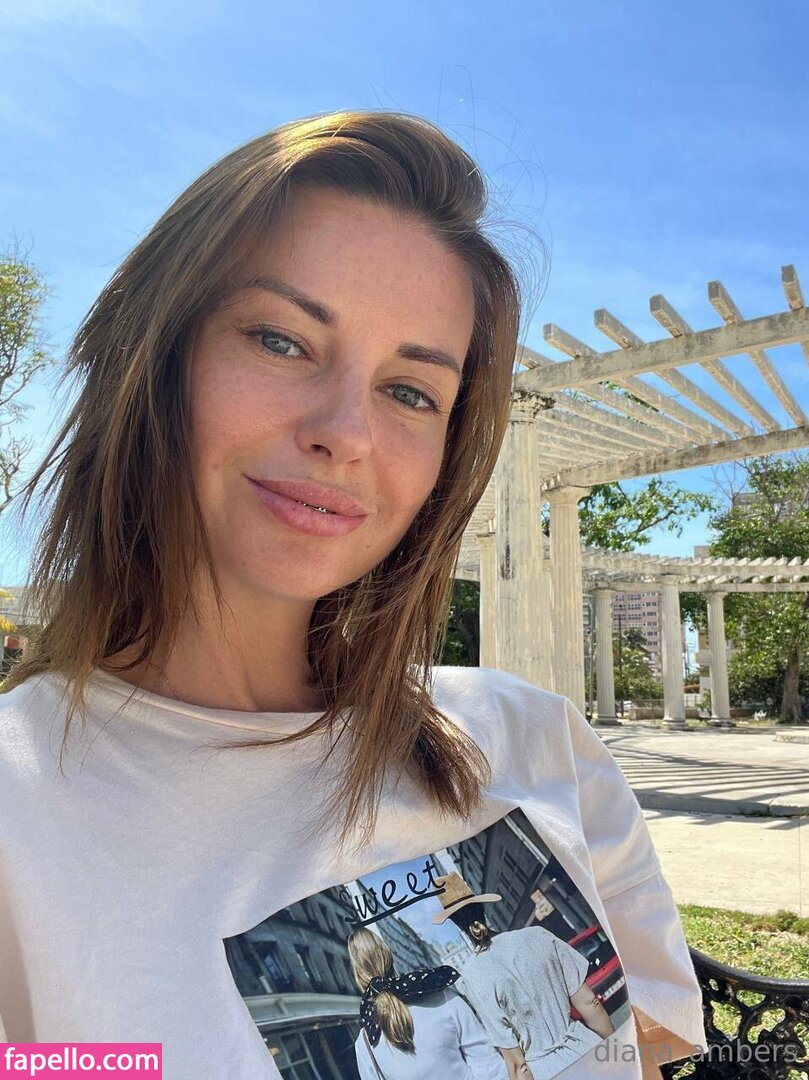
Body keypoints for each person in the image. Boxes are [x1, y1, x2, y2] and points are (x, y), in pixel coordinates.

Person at [0, 110, 706, 1079]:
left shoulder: (533, 739)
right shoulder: (21, 818)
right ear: (151, 356)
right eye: (280, 340)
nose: (347, 433)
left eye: (411, 392)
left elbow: (641, 1054)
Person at [433, 874, 612, 1080]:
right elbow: (590, 1003)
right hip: (589, 1049)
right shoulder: (537, 935)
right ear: (481, 906)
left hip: (549, 1071)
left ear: (456, 924)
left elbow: (518, 1065)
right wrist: (620, 1053)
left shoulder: (472, 977)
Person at [347, 926, 508, 1079]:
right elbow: (490, 1066)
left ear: (357, 975)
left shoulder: (366, 1043)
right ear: (390, 956)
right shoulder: (443, 998)